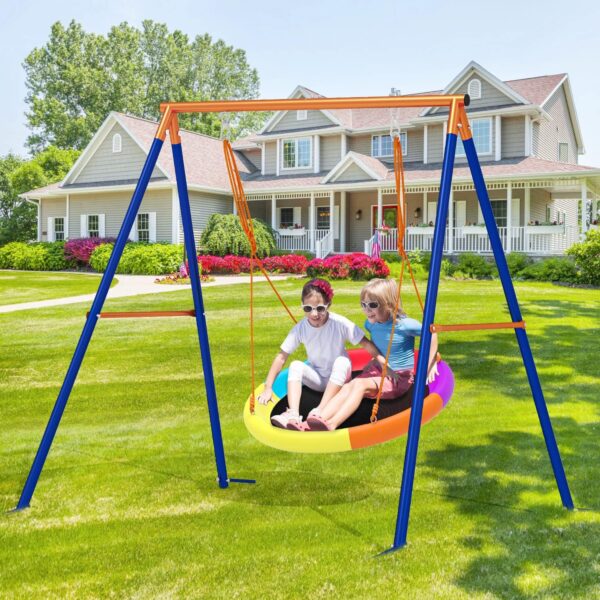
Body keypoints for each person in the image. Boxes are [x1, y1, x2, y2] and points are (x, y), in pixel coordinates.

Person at [306, 278, 439, 431]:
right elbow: (378, 344)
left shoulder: (404, 325)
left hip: (398, 377)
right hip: (377, 370)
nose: (367, 309)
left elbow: (432, 332)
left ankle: (332, 423)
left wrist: (431, 361)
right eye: (364, 304)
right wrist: (374, 360)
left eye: (373, 305)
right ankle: (318, 418)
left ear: (389, 305)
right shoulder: (370, 324)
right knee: (349, 386)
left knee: (360, 385)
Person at [258, 278, 380, 430]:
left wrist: (383, 361)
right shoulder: (301, 328)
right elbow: (281, 357)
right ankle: (293, 414)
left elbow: (366, 344)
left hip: (340, 378)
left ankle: (320, 410)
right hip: (318, 378)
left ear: (328, 304)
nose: (314, 314)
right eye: (308, 309)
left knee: (342, 361)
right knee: (295, 365)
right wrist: (268, 387)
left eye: (320, 308)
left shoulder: (339, 323)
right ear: (302, 306)